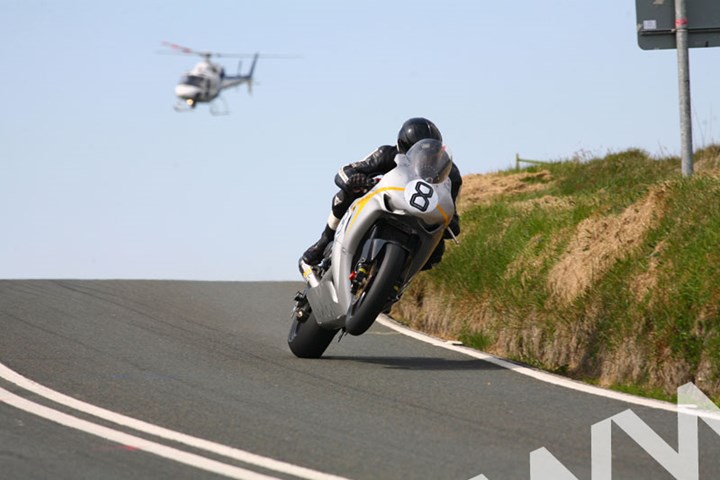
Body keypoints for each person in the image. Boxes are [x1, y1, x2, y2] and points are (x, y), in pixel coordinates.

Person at [301, 117, 462, 269]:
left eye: (430, 153)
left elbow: (450, 206)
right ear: (402, 146)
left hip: (420, 215)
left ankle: (399, 279)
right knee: (344, 196)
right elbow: (346, 171)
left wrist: (452, 219)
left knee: (437, 252)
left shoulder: (450, 174)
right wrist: (355, 180)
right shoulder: (386, 154)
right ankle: (323, 242)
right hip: (385, 200)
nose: (423, 158)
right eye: (417, 151)